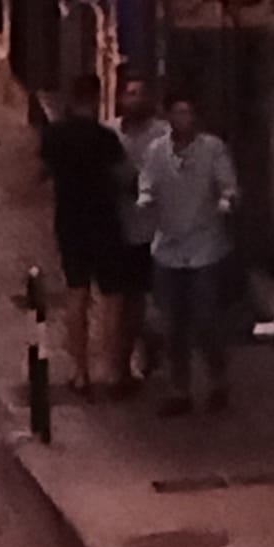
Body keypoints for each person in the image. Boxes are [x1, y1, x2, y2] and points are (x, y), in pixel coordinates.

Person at [139, 93, 238, 416]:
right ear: (168, 116)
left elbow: (229, 186)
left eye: (188, 112)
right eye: (178, 112)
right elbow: (147, 185)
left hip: (204, 247)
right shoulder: (156, 152)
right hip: (168, 248)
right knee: (172, 323)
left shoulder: (213, 149)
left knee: (206, 319)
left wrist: (226, 201)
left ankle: (217, 380)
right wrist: (145, 201)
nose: (184, 118)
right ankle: (179, 388)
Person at [39, 74, 128, 400]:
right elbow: (122, 177)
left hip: (69, 222)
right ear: (94, 98)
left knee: (76, 295)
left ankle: (80, 371)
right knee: (112, 299)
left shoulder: (54, 136)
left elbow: (42, 173)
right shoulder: (105, 138)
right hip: (103, 221)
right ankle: (111, 369)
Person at [110, 75, 170, 388]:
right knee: (127, 299)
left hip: (155, 230)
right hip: (121, 229)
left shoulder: (163, 135)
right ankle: (125, 363)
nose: (132, 99)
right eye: (128, 93)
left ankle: (148, 348)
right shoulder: (110, 132)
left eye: (138, 93)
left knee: (151, 297)